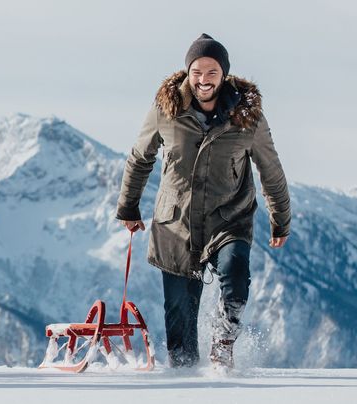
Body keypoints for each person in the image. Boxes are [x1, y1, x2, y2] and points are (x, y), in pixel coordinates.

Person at [115, 34, 291, 370]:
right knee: (179, 319)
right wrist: (128, 207)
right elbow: (140, 157)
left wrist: (280, 219)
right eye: (196, 72)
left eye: (212, 72)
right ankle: (184, 380)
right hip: (175, 225)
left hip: (230, 219)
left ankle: (223, 344)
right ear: (188, 73)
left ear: (224, 74)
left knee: (235, 279)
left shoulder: (247, 117)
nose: (203, 79)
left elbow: (270, 168)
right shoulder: (166, 110)